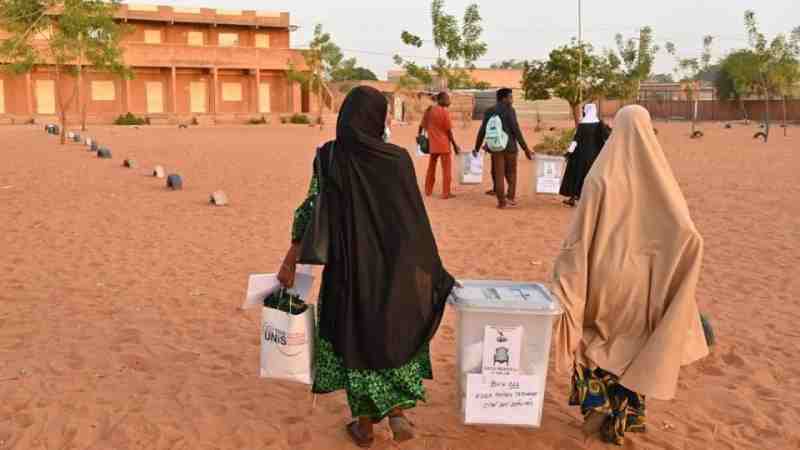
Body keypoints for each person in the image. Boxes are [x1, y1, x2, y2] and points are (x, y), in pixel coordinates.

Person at [278, 86, 455, 448]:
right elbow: (413, 220)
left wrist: (292, 254)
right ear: (374, 119)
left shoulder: (328, 157)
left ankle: (364, 427)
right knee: (393, 330)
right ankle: (397, 413)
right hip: (396, 266)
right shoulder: (397, 159)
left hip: (349, 270)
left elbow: (312, 207)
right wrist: (430, 271)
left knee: (356, 335)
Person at [551, 105, 709, 446]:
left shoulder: (600, 177)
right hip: (646, 284)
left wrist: (569, 274)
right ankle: (623, 418)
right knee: (636, 346)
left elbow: (580, 236)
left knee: (596, 341)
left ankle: (599, 404)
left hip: (604, 280)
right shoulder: (662, 179)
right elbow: (688, 232)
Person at [474, 88, 533, 209]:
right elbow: (516, 130)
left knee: (499, 174)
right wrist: (525, 149)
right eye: (510, 97)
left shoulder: (490, 111)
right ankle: (510, 198)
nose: (512, 99)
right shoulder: (510, 110)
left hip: (496, 147)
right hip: (510, 147)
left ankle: (501, 202)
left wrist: (477, 147)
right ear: (503, 98)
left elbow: (483, 130)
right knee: (511, 173)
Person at [559, 103, 611, 207]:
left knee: (576, 175)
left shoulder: (582, 125)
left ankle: (573, 198)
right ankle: (592, 201)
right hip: (595, 156)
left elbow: (575, 141)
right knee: (592, 177)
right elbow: (607, 138)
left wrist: (569, 152)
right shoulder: (599, 124)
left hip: (580, 156)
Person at [420, 92, 461, 199]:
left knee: (431, 167)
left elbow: (421, 126)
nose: (449, 101)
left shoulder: (429, 110)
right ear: (441, 100)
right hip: (444, 145)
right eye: (447, 99)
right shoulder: (444, 112)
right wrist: (455, 145)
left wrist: (420, 138)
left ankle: (428, 190)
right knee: (446, 169)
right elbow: (448, 132)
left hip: (432, 144)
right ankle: (446, 193)